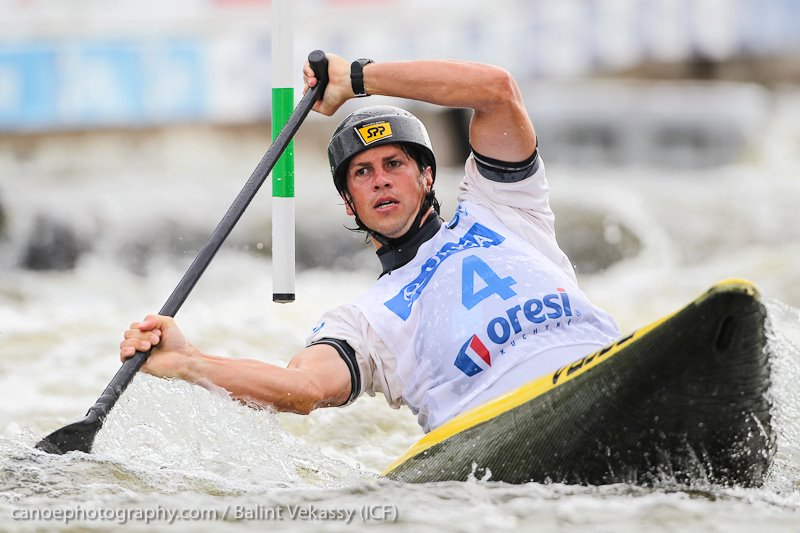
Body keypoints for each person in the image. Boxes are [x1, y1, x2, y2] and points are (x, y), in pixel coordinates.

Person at [119, 53, 620, 432]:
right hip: (499, 425)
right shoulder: (365, 321)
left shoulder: (504, 206)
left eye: (394, 164)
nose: (380, 180)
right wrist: (191, 362)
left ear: (427, 176)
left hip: (605, 366)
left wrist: (357, 79)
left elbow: (497, 90)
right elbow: (304, 390)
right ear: (349, 205)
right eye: (362, 173)